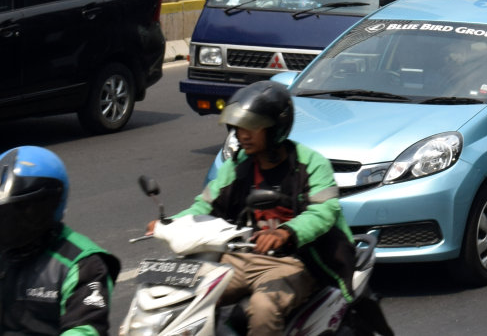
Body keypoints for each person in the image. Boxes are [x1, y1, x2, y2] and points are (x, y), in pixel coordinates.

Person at [155, 81, 355, 336]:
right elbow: (204, 206)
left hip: (296, 262)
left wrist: (286, 233)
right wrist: (170, 223)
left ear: (276, 128)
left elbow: (323, 212)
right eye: (239, 127)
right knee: (185, 292)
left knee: (263, 307)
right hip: (241, 256)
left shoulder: (311, 164)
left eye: (253, 127)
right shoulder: (237, 165)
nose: (243, 134)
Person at [0, 146, 120, 336]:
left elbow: (85, 329)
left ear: (49, 204)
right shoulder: (4, 253)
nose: (8, 223)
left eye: (20, 211)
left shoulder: (83, 264)